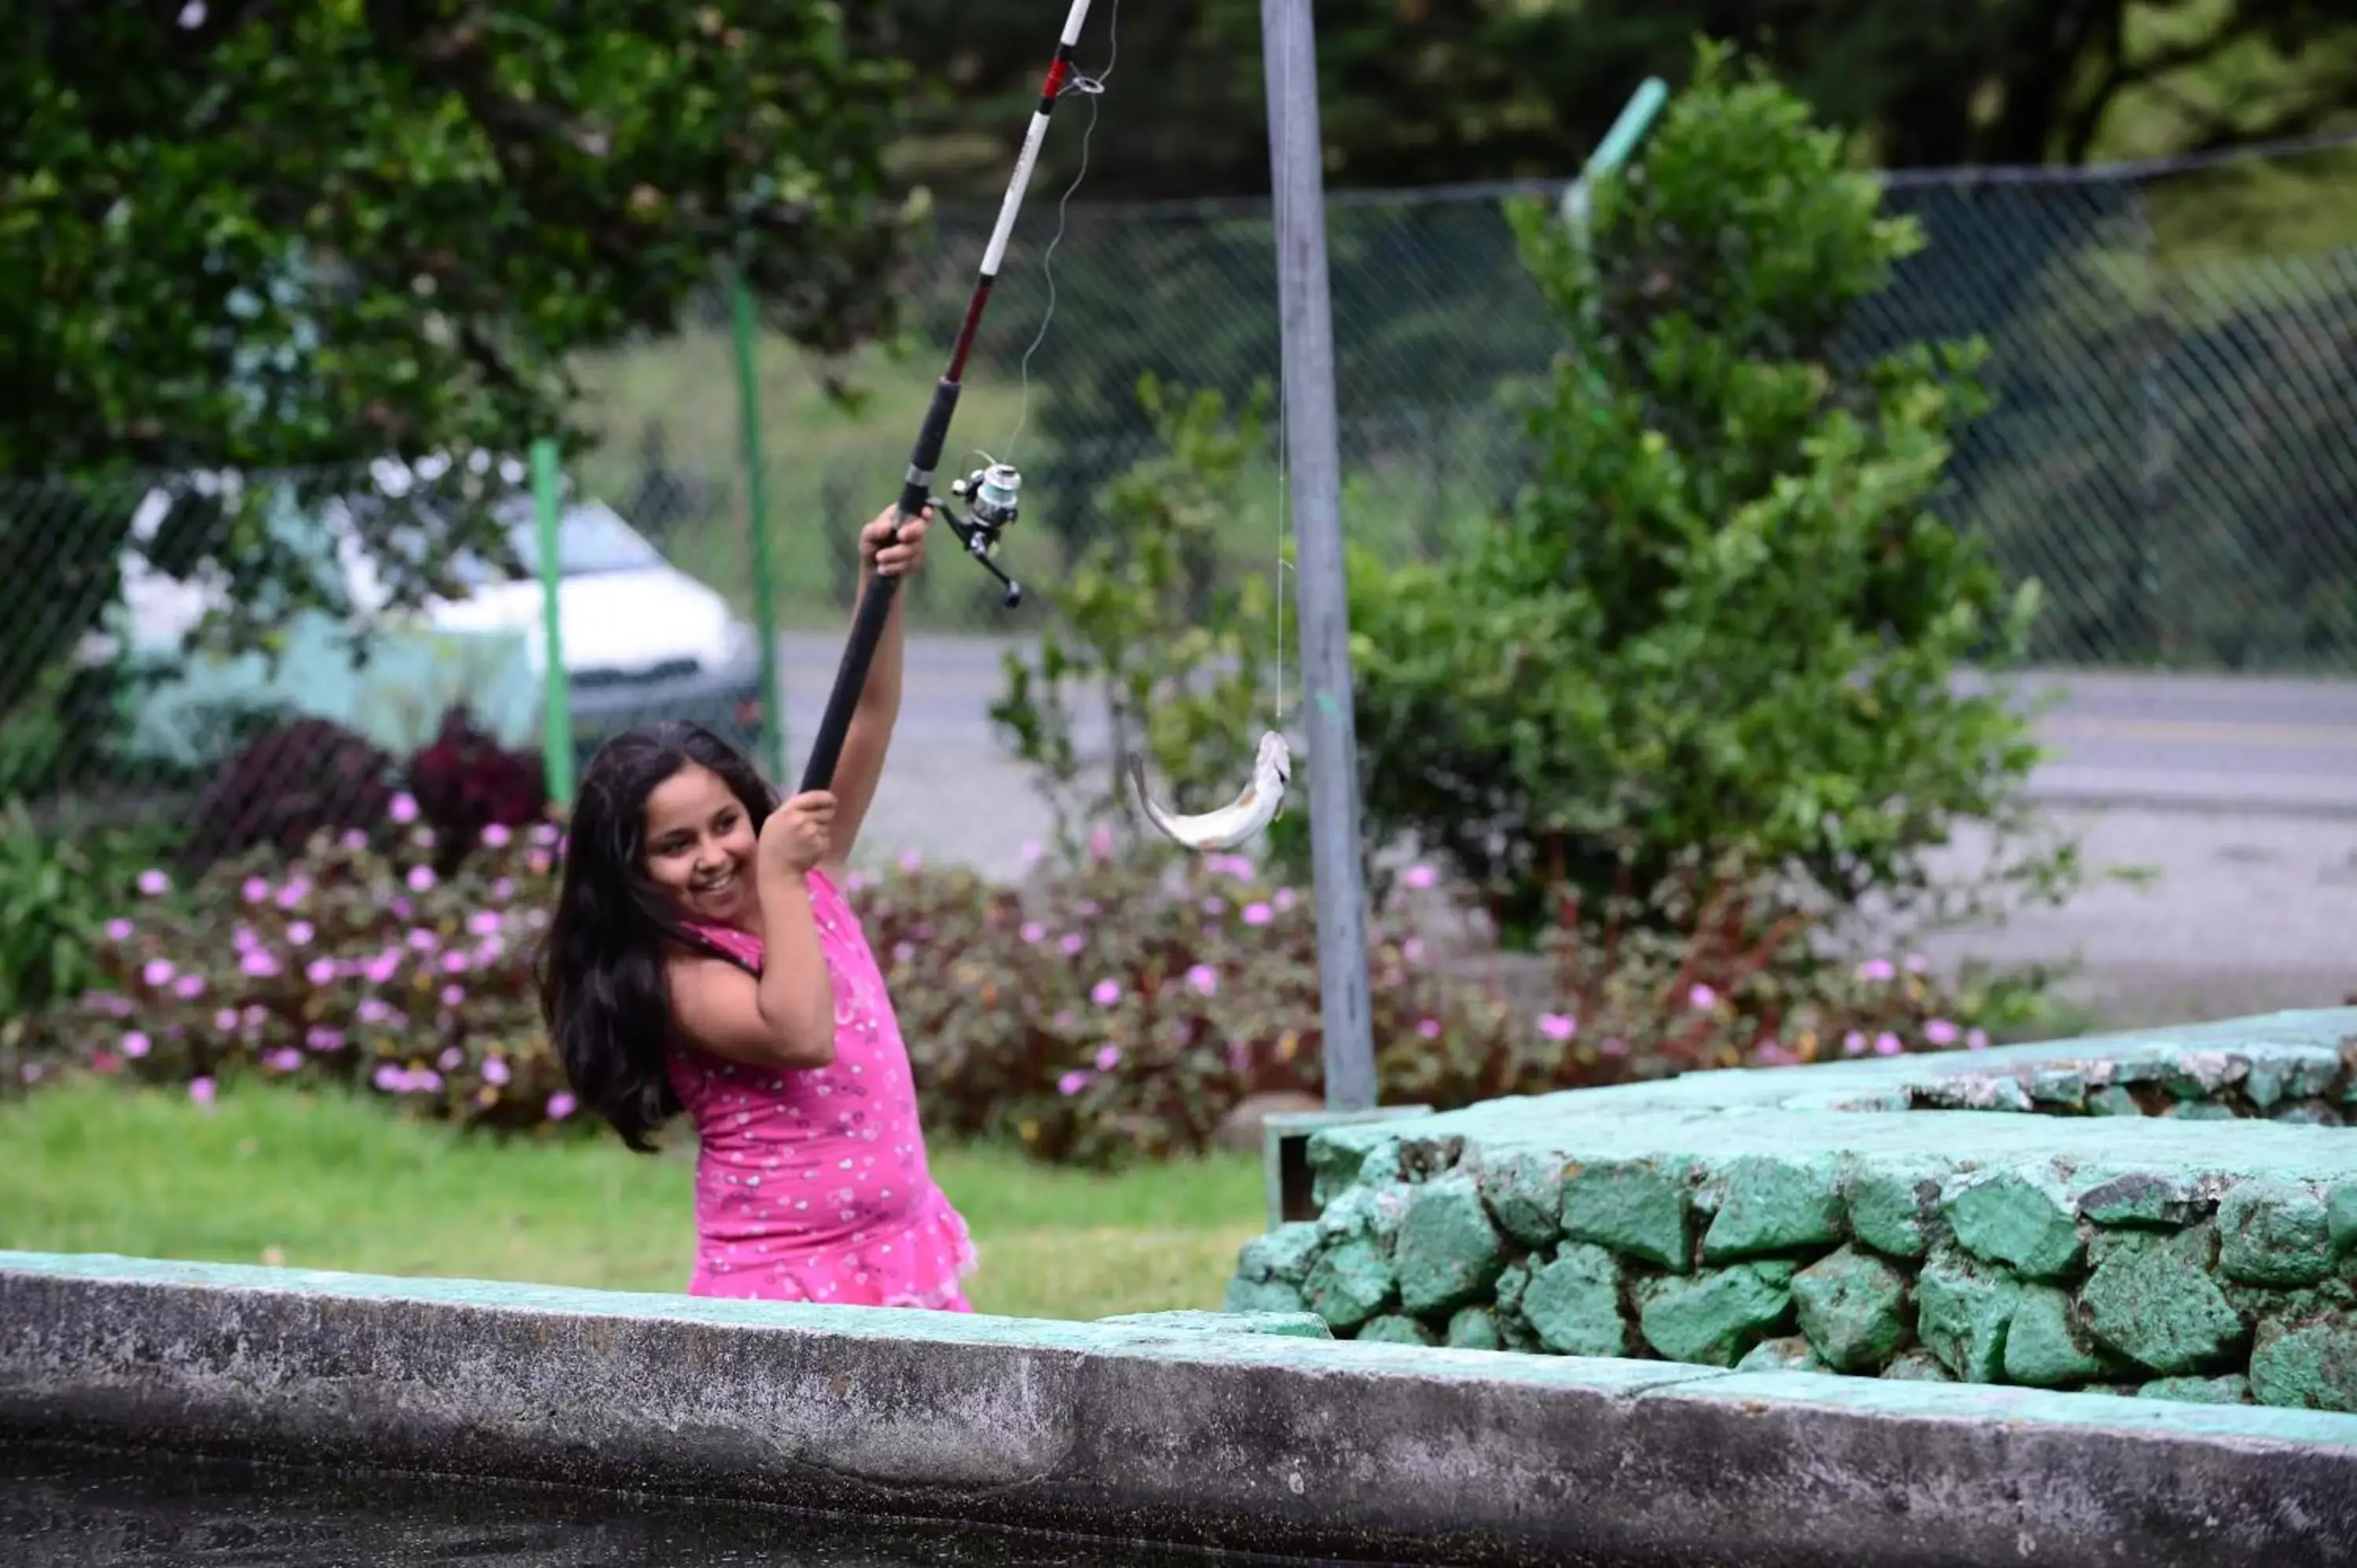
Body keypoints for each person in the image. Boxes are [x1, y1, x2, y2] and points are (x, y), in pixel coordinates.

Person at [535, 504, 977, 1310]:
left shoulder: (807, 878)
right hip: (783, 1282)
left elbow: (868, 716)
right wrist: (779, 876)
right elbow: (800, 1033)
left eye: (725, 824)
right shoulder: (677, 976)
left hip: (893, 1251)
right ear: (630, 871)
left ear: (750, 811)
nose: (713, 855)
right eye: (676, 845)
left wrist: (879, 588)